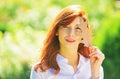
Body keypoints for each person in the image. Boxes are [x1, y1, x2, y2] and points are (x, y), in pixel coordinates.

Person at [30, 5, 105, 79]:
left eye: (78, 28)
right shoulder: (41, 71)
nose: (71, 33)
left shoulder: (95, 67)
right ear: (57, 31)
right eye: (66, 27)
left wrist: (94, 76)